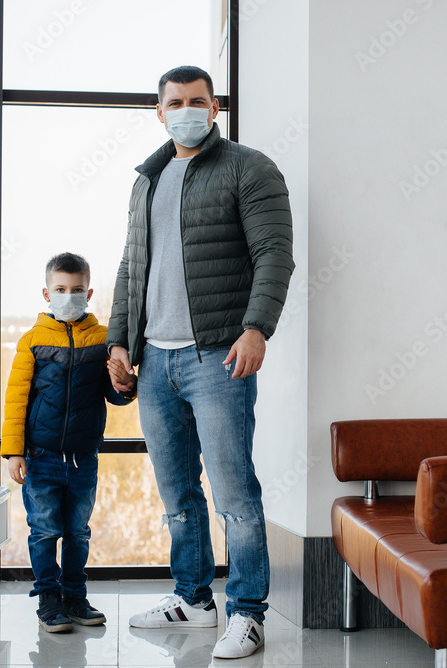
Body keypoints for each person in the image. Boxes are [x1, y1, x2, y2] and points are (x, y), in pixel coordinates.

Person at [105, 65, 294, 659]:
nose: (187, 109)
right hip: (154, 362)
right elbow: (130, 267)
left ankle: (248, 613)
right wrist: (118, 341)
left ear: (215, 108)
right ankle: (192, 601)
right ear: (159, 111)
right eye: (175, 102)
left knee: (234, 494)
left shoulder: (248, 167)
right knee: (178, 497)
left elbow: (274, 254)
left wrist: (257, 328)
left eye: (198, 101)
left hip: (217, 355)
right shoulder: (148, 180)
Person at [2, 252, 137, 632]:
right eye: (60, 289)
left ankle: (75, 597)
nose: (68, 295)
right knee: (44, 530)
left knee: (77, 531)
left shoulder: (104, 339)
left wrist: (127, 385)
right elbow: (15, 400)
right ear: (46, 293)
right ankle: (49, 600)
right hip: (40, 458)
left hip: (83, 458)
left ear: (89, 292)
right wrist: (13, 452)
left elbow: (116, 393)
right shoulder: (31, 341)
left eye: (76, 289)